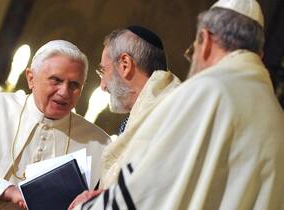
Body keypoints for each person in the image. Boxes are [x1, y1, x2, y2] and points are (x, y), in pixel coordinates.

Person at [69, 0, 284, 209]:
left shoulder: (208, 91)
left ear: (205, 39)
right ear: (259, 54)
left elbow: (148, 190)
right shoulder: (276, 114)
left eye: (194, 50)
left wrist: (86, 206)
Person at [0, 40, 110, 209]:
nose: (64, 92)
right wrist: (6, 190)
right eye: (56, 80)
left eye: (74, 85)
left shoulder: (99, 143)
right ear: (31, 78)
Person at [96, 26, 180, 188]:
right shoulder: (156, 107)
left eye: (103, 71)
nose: (102, 86)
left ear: (125, 64)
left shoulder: (168, 111)